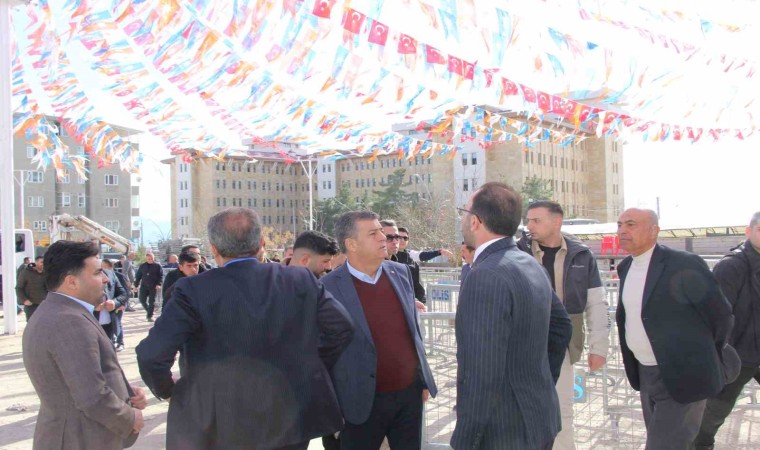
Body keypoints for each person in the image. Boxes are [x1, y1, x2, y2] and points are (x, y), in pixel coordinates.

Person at [136, 207, 354, 450]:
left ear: (214, 249)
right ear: (261, 243)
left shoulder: (192, 290)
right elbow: (341, 327)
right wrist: (309, 362)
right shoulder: (299, 279)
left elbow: (152, 355)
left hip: (221, 419)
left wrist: (170, 391)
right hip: (291, 413)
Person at [453, 182, 572, 450]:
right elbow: (562, 327)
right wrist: (538, 382)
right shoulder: (528, 262)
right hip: (539, 417)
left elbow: (481, 369)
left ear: (475, 221)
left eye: (464, 212)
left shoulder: (484, 274)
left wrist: (466, 438)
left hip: (504, 432)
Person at [615, 208, 738, 450]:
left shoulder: (683, 264)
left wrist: (702, 352)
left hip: (684, 374)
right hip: (645, 373)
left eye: (630, 224)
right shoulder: (626, 267)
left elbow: (720, 315)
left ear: (654, 230)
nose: (622, 231)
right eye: (619, 225)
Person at [321, 211, 438, 450]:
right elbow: (322, 351)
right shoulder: (327, 287)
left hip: (408, 398)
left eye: (381, 232)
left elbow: (412, 331)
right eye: (373, 233)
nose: (383, 238)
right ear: (351, 244)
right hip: (359, 402)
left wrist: (422, 379)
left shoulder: (401, 272)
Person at [22, 241, 147, 449]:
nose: (105, 278)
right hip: (80, 440)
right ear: (71, 282)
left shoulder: (57, 311)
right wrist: (129, 417)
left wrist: (125, 393)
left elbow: (75, 378)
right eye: (97, 272)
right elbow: (91, 395)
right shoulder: (67, 321)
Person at [518, 200, 609, 450]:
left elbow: (596, 303)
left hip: (563, 345)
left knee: (562, 410)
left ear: (557, 221)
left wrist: (599, 348)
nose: (529, 226)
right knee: (522, 412)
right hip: (523, 344)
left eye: (536, 220)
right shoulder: (518, 252)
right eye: (528, 220)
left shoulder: (582, 255)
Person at [694, 211, 760, 450]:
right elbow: (716, 314)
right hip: (736, 355)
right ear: (749, 231)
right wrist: (719, 354)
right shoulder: (731, 266)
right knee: (711, 416)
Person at [386, 224, 427, 304]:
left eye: (405, 238)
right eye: (399, 237)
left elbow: (416, 284)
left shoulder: (412, 262)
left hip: (411, 302)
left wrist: (421, 298)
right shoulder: (386, 259)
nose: (402, 240)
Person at [97, 259, 129, 343]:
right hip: (90, 324)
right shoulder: (80, 275)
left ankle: (120, 342)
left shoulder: (111, 274)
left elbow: (124, 293)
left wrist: (115, 303)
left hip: (109, 323)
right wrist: (93, 307)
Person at [15, 255, 47, 321]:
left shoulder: (47, 273)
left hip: (44, 304)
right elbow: (18, 288)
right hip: (31, 306)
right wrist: (24, 300)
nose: (43, 264)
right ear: (36, 262)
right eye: (41, 262)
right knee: (32, 324)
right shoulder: (26, 272)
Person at [134, 253, 163, 322]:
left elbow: (160, 276)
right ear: (146, 258)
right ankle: (149, 311)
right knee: (142, 300)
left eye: (151, 258)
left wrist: (159, 284)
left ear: (153, 258)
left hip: (153, 286)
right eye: (148, 258)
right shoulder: (142, 266)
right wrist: (136, 285)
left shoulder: (157, 266)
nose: (150, 260)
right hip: (144, 286)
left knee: (151, 301)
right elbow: (138, 276)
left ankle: (149, 316)